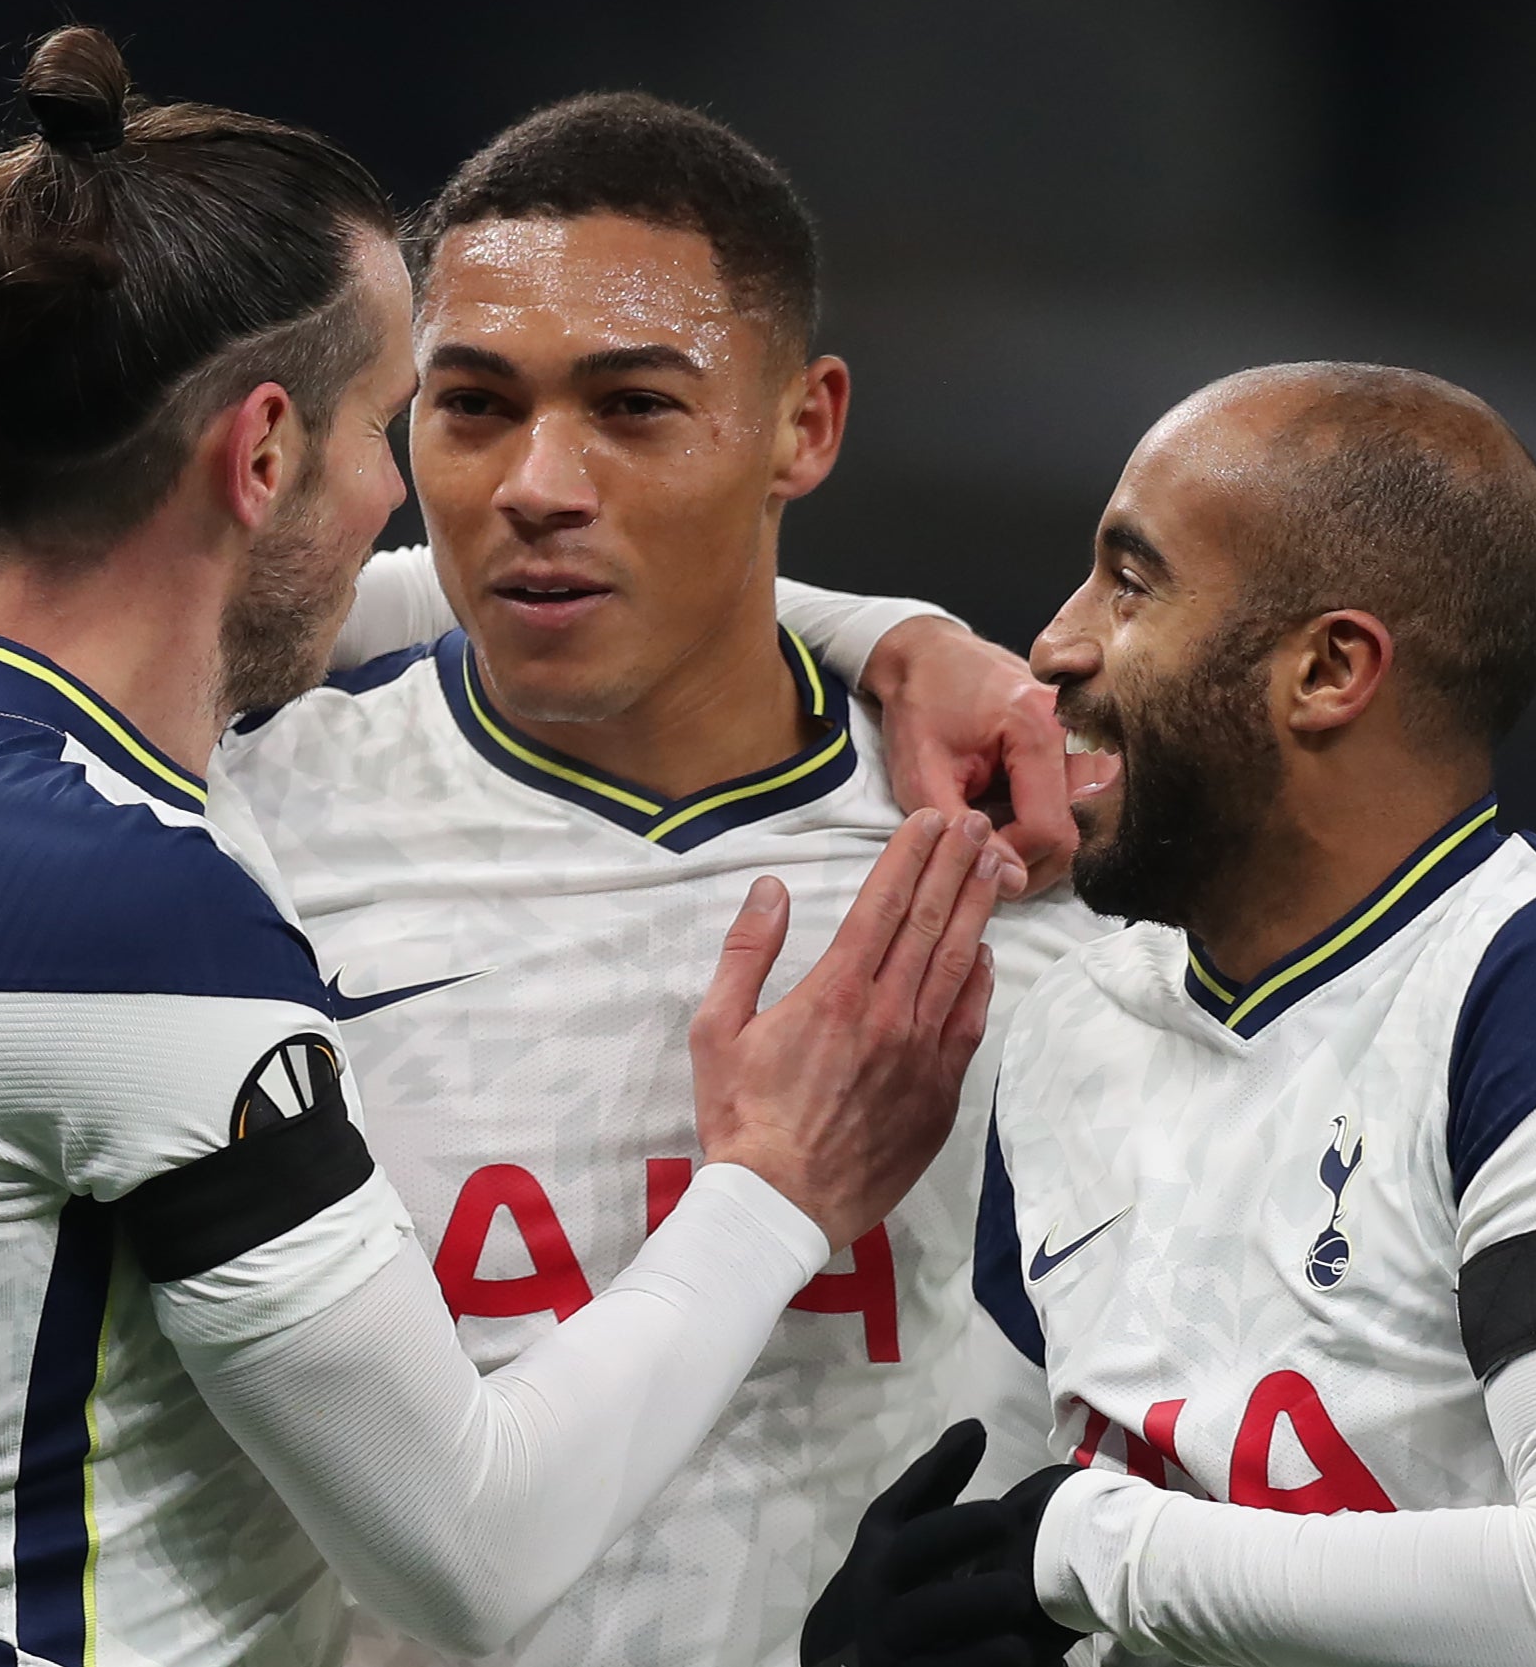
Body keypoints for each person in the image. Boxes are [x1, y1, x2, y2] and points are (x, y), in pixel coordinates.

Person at [0, 29, 1023, 1667]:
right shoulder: (131, 903)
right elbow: (468, 1555)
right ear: (261, 456)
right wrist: (775, 1184)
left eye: (627, 407)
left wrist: (886, 634)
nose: (442, 500)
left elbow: (301, 605)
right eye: (416, 418)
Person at [218, 94, 1114, 1667]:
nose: (538, 483)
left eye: (633, 409)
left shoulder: (1035, 847)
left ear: (805, 426)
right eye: (474, 406)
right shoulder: (234, 833)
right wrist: (886, 625)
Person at [810, 363, 1536, 1667]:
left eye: (1130, 579)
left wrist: (1093, 1550)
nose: (1054, 642)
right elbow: (995, 1529)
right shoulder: (1073, 1019)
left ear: (1326, 670)